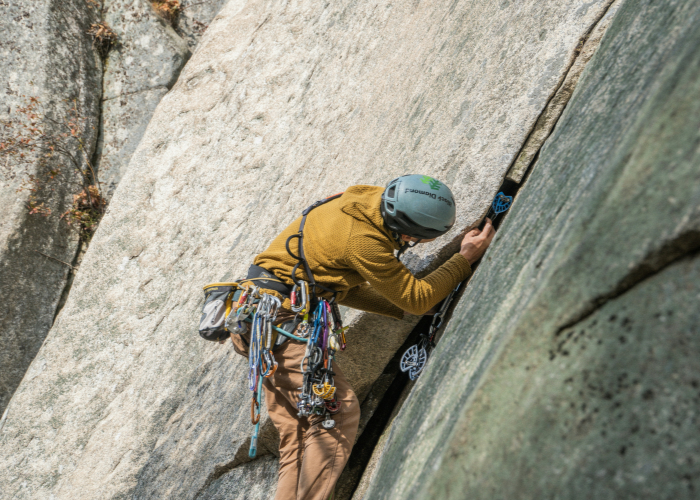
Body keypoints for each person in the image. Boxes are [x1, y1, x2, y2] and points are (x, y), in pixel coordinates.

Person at [228, 175, 495, 500]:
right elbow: (416, 296)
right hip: (280, 322)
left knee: (297, 433)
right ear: (411, 233)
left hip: (257, 316)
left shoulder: (356, 202)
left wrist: (402, 308)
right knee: (335, 415)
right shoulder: (365, 240)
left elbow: (336, 285)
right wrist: (464, 259)